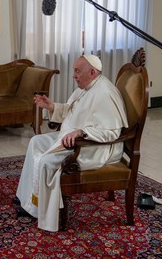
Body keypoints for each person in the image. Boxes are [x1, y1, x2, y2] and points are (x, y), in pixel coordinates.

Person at [15, 54, 128, 232]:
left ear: (92, 72)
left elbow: (111, 131)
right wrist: (52, 107)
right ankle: (26, 196)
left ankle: (40, 211)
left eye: (77, 71)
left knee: (46, 162)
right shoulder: (87, 87)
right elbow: (72, 110)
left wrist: (82, 132)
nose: (74, 75)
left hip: (93, 147)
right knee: (35, 142)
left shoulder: (105, 93)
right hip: (72, 138)